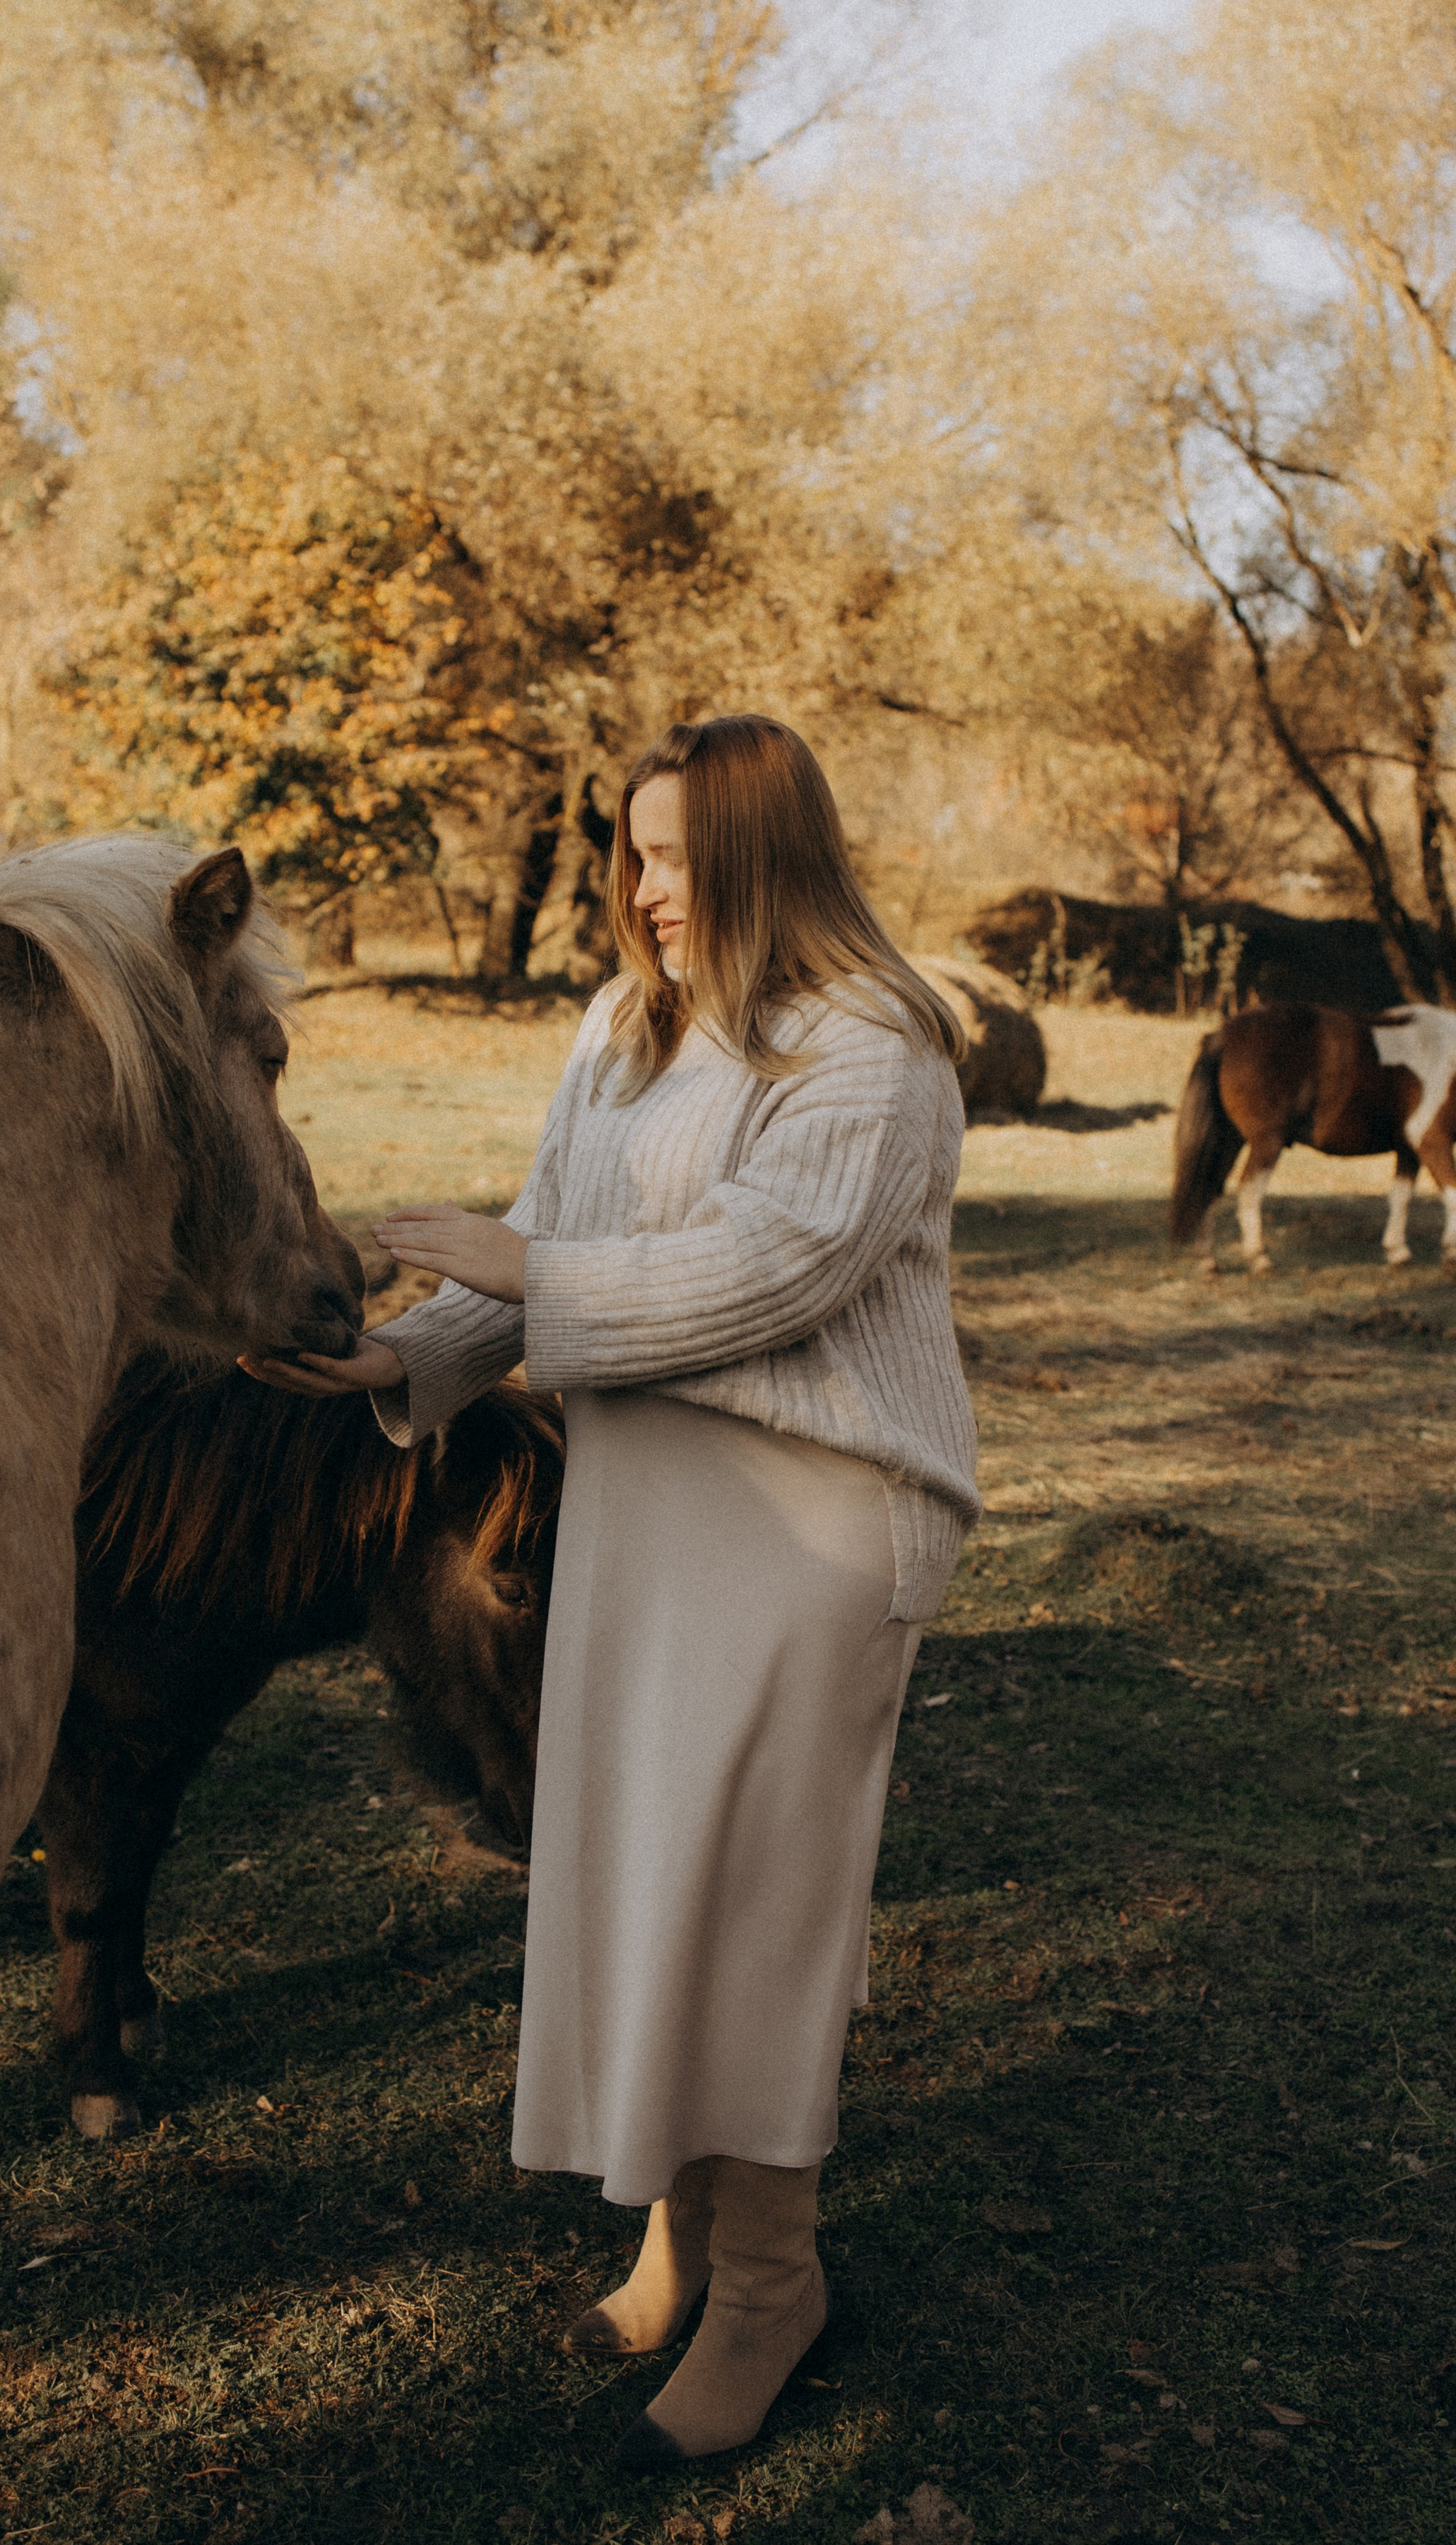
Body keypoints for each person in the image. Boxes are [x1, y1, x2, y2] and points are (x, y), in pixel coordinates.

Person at [246, 714, 981, 2467]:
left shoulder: (871, 1044)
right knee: (648, 1880)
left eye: (676, 858)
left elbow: (769, 1270)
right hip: (647, 1509)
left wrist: (526, 1266)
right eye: (632, 856)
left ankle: (770, 2285)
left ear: (764, 857)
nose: (644, 891)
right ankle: (676, 2237)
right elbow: (543, 1239)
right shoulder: (620, 1027)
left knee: (753, 1909)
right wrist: (405, 1357)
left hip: (812, 1525)